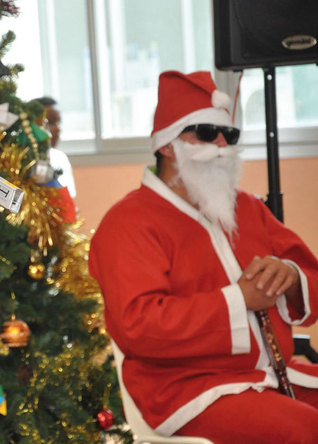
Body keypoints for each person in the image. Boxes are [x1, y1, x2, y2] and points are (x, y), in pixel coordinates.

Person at [89, 70, 318, 443]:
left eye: (229, 135)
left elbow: (309, 273)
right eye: (206, 133)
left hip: (269, 373)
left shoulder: (246, 207)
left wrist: (290, 277)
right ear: (166, 145)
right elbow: (139, 326)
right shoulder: (127, 222)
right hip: (186, 391)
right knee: (304, 430)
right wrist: (238, 299)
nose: (221, 145)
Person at [33, 96, 76, 198]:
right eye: (50, 123)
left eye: (58, 122)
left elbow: (67, 199)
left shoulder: (60, 158)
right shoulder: (23, 160)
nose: (57, 128)